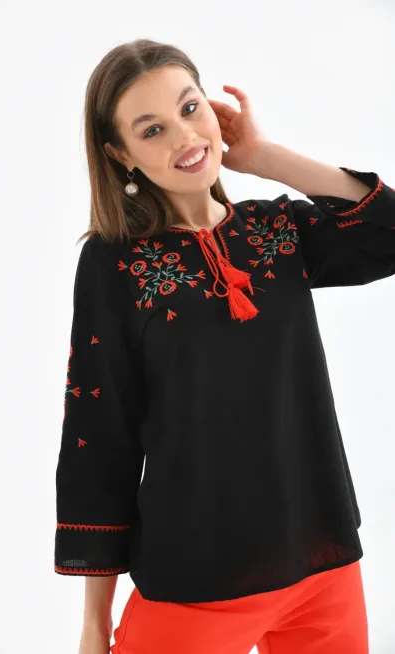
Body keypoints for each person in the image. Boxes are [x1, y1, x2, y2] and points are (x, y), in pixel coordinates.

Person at [53, 38, 395, 654]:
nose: (185, 137)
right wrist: (93, 623)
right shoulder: (114, 265)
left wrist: (265, 158)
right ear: (119, 154)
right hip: (194, 583)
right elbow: (98, 437)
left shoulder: (277, 230)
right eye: (152, 129)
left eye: (190, 109)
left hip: (322, 569)